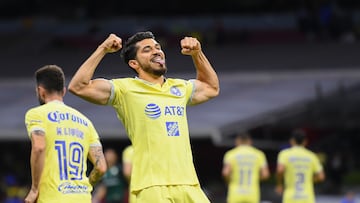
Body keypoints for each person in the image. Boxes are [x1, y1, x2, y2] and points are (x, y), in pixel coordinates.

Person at [68, 31, 220, 203]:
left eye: (157, 48)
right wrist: (102, 49)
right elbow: (78, 86)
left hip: (189, 184)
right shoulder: (124, 89)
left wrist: (197, 54)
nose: (156, 51)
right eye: (147, 50)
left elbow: (211, 87)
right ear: (134, 63)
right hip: (151, 187)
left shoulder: (179, 87)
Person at [24, 65, 107, 203]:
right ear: (63, 91)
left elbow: (39, 148)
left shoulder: (36, 114)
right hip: (82, 198)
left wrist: (34, 189)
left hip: (52, 198)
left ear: (40, 91)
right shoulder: (85, 121)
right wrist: (87, 185)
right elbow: (101, 167)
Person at [275, 128, 325, 203]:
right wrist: (310, 180)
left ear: (292, 141)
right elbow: (321, 177)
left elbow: (280, 170)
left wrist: (279, 184)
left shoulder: (285, 154)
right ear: (305, 141)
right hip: (307, 198)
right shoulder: (312, 156)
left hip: (291, 198)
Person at [222, 132, 270, 203]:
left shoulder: (231, 154)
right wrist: (256, 178)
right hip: (252, 193)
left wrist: (229, 181)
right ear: (250, 141)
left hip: (235, 193)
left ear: (237, 141)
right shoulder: (259, 154)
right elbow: (265, 175)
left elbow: (226, 173)